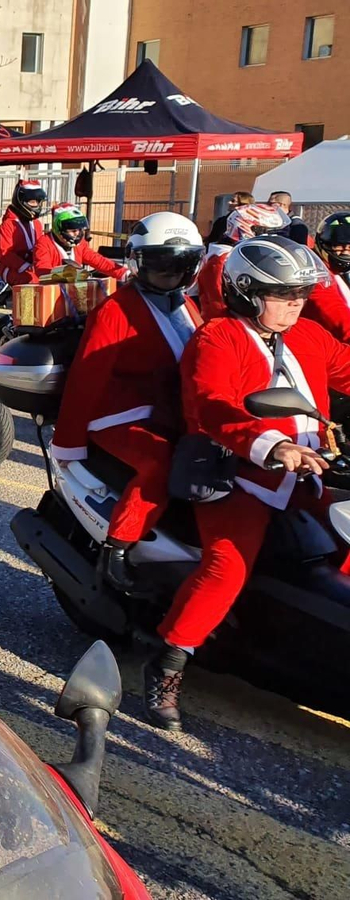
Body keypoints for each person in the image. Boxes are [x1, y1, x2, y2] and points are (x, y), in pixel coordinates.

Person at [149, 236, 350, 731]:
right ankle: (169, 663)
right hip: (236, 474)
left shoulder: (307, 335)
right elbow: (212, 405)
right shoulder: (217, 338)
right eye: (285, 295)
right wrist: (272, 446)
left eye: (301, 295)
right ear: (247, 291)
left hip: (310, 471)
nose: (296, 305)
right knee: (227, 567)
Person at [50, 212, 205, 594]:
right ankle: (117, 548)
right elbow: (88, 377)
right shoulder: (116, 310)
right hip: (120, 414)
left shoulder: (186, 304)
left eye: (179, 265)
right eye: (159, 265)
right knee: (160, 462)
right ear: (140, 263)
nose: (169, 274)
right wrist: (69, 443)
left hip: (174, 409)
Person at [192, 202, 289, 320]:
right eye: (271, 233)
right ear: (248, 229)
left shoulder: (227, 255)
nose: (274, 239)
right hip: (228, 325)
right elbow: (218, 304)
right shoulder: (224, 260)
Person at [41, 203, 128, 280]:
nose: (77, 234)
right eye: (73, 230)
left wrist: (124, 273)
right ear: (58, 229)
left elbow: (98, 260)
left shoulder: (81, 244)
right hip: (51, 292)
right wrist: (63, 274)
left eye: (80, 230)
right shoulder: (44, 243)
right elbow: (42, 270)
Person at [304, 212, 350, 342]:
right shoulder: (314, 271)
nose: (345, 252)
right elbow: (331, 307)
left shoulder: (342, 272)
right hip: (323, 342)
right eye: (338, 246)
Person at [0, 180, 50, 286]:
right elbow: (4, 254)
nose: (36, 205)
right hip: (11, 268)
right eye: (32, 202)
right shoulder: (8, 225)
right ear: (21, 201)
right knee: (33, 281)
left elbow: (40, 247)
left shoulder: (37, 224)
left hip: (33, 266)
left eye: (38, 202)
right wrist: (26, 266)